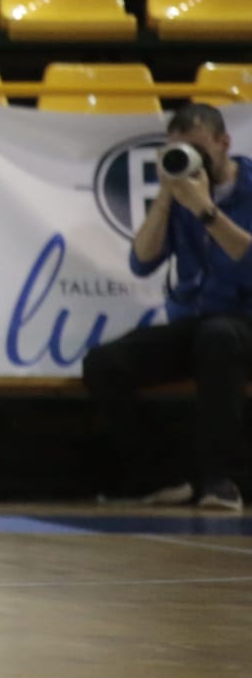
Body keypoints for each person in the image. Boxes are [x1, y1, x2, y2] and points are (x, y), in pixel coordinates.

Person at [85, 103, 252, 511]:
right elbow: (141, 261)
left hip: (244, 325)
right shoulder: (180, 192)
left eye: (197, 149)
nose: (190, 159)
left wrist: (205, 210)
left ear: (223, 143)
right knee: (105, 363)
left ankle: (220, 480)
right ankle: (161, 477)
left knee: (219, 338)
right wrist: (166, 194)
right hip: (199, 325)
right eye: (177, 151)